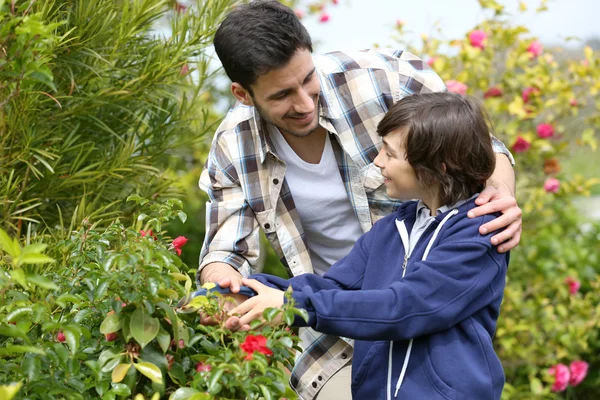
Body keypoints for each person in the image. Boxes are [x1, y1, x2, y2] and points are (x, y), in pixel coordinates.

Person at [197, 1, 521, 398]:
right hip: (329, 330)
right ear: (243, 94)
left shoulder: (382, 78)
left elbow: (470, 141)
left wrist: (499, 194)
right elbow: (309, 279)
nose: (303, 103)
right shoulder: (392, 228)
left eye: (307, 79)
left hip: (427, 361)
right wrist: (229, 292)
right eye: (282, 94)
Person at [227, 92, 510, 400]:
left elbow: (404, 308)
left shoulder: (479, 234)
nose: (377, 161)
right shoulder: (393, 228)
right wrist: (242, 291)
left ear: (439, 166)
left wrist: (291, 308)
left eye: (390, 154)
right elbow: (329, 286)